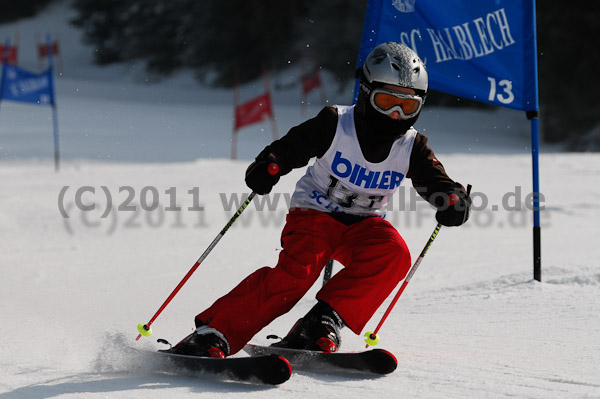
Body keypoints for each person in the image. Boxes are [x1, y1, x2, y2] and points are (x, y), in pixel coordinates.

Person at [172, 42, 471, 358]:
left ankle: (321, 322)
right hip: (314, 215)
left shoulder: (412, 146)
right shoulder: (336, 123)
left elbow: (436, 181)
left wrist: (452, 199)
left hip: (365, 225)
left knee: (393, 254)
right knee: (300, 269)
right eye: (386, 102)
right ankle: (215, 331)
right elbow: (292, 146)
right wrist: (270, 164)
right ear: (366, 92)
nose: (395, 114)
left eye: (407, 107)